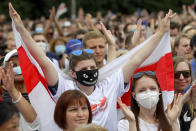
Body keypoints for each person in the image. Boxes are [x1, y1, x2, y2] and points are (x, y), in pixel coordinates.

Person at [9, 3, 175, 130]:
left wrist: (160, 33)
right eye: (84, 70)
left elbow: (135, 59)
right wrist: (21, 29)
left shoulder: (110, 85)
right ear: (73, 73)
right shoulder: (64, 88)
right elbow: (43, 61)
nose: (89, 72)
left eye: (92, 68)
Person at [117, 71, 187, 131]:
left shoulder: (170, 118)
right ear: (134, 96)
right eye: (142, 90)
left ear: (159, 91)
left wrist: (174, 121)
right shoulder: (125, 123)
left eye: (152, 89)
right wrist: (132, 122)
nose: (148, 93)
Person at [0, 60, 40, 131]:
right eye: (14, 65)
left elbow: (35, 123)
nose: (18, 68)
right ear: (4, 71)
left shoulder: (39, 91)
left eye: (22, 63)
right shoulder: (2, 97)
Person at [173, 56, 196, 131]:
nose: (182, 78)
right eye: (176, 74)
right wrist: (182, 101)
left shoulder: (193, 98)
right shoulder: (165, 102)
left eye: (186, 73)